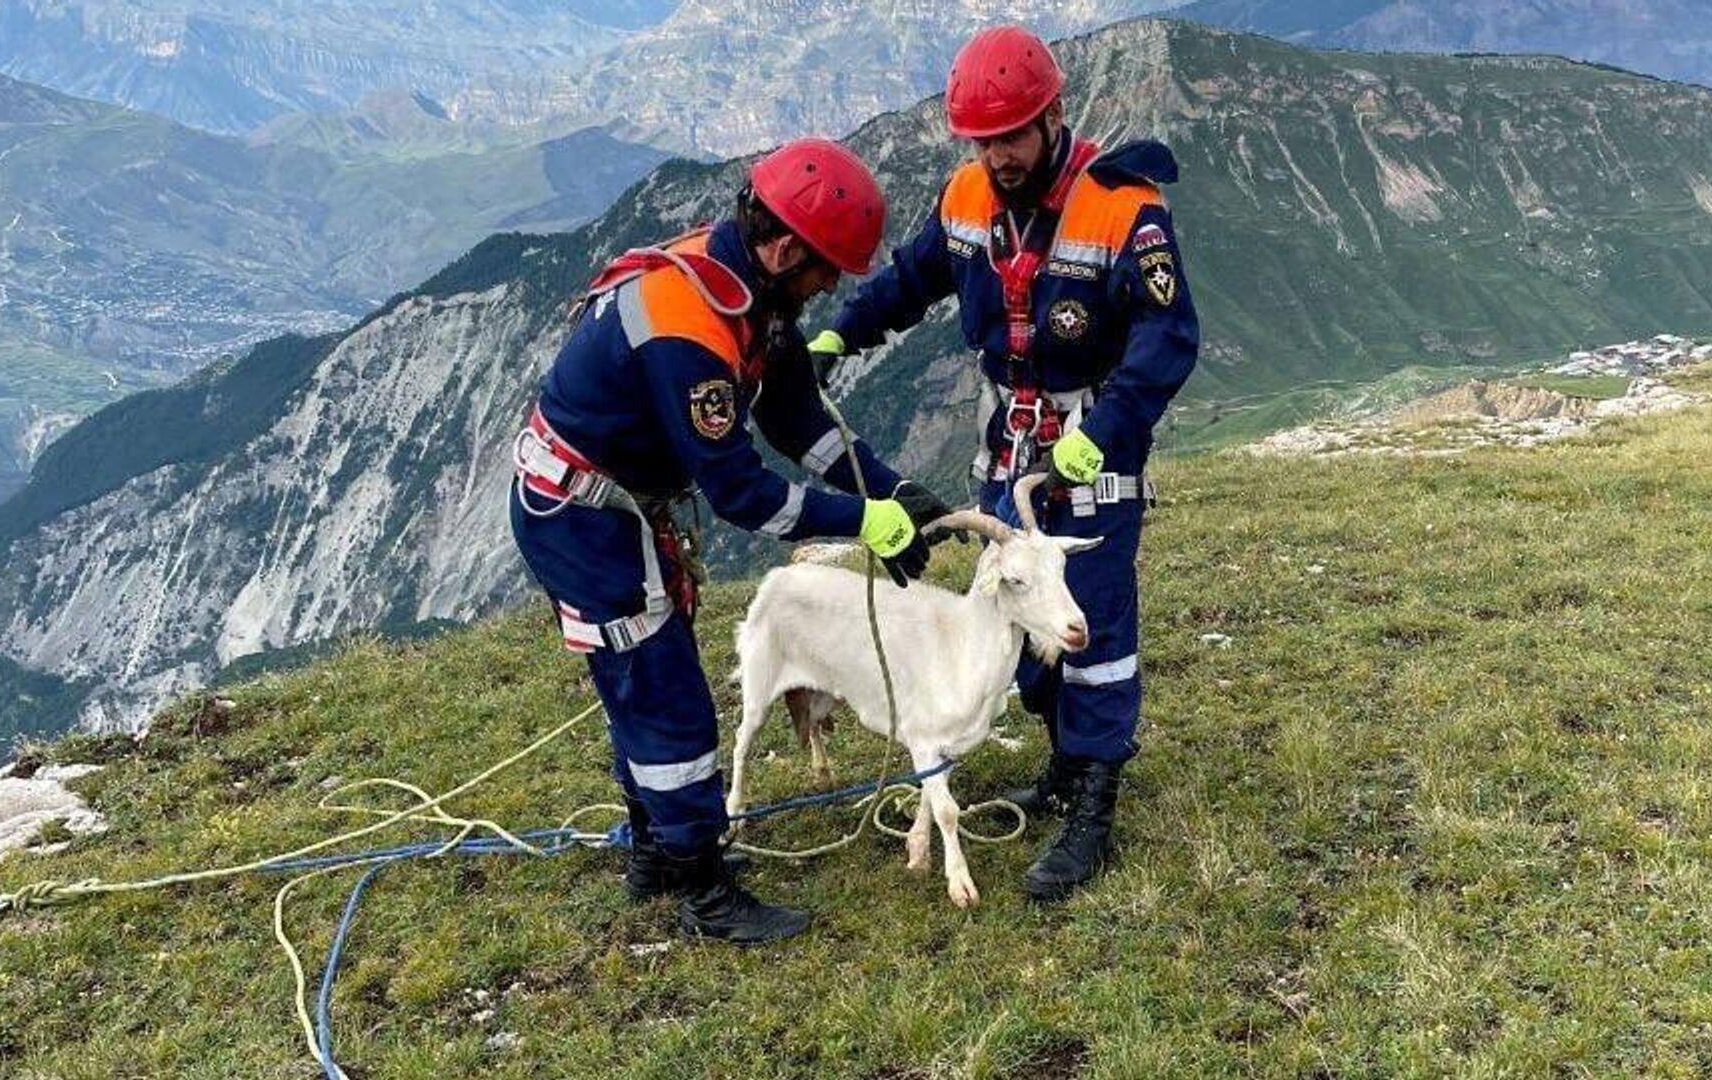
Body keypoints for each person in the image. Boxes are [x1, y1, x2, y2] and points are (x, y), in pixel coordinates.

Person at [510, 137, 953, 943]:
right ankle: (704, 888)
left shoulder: (753, 295)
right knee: (668, 697)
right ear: (785, 247)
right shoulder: (688, 328)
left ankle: (655, 852)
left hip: (612, 506)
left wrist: (888, 491)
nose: (829, 288)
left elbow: (796, 419)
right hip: (583, 517)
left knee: (648, 680)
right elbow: (742, 491)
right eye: (825, 270)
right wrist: (861, 523)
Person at [812, 26, 1200, 901]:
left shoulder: (1123, 207)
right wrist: (844, 332)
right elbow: (913, 279)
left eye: (1013, 137)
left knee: (1087, 625)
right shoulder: (966, 198)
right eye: (983, 140)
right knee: (1013, 614)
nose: (998, 155)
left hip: (1094, 441)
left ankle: (1093, 806)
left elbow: (1170, 336)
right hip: (1010, 447)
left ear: (1053, 116)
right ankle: (1063, 765)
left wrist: (1102, 432)